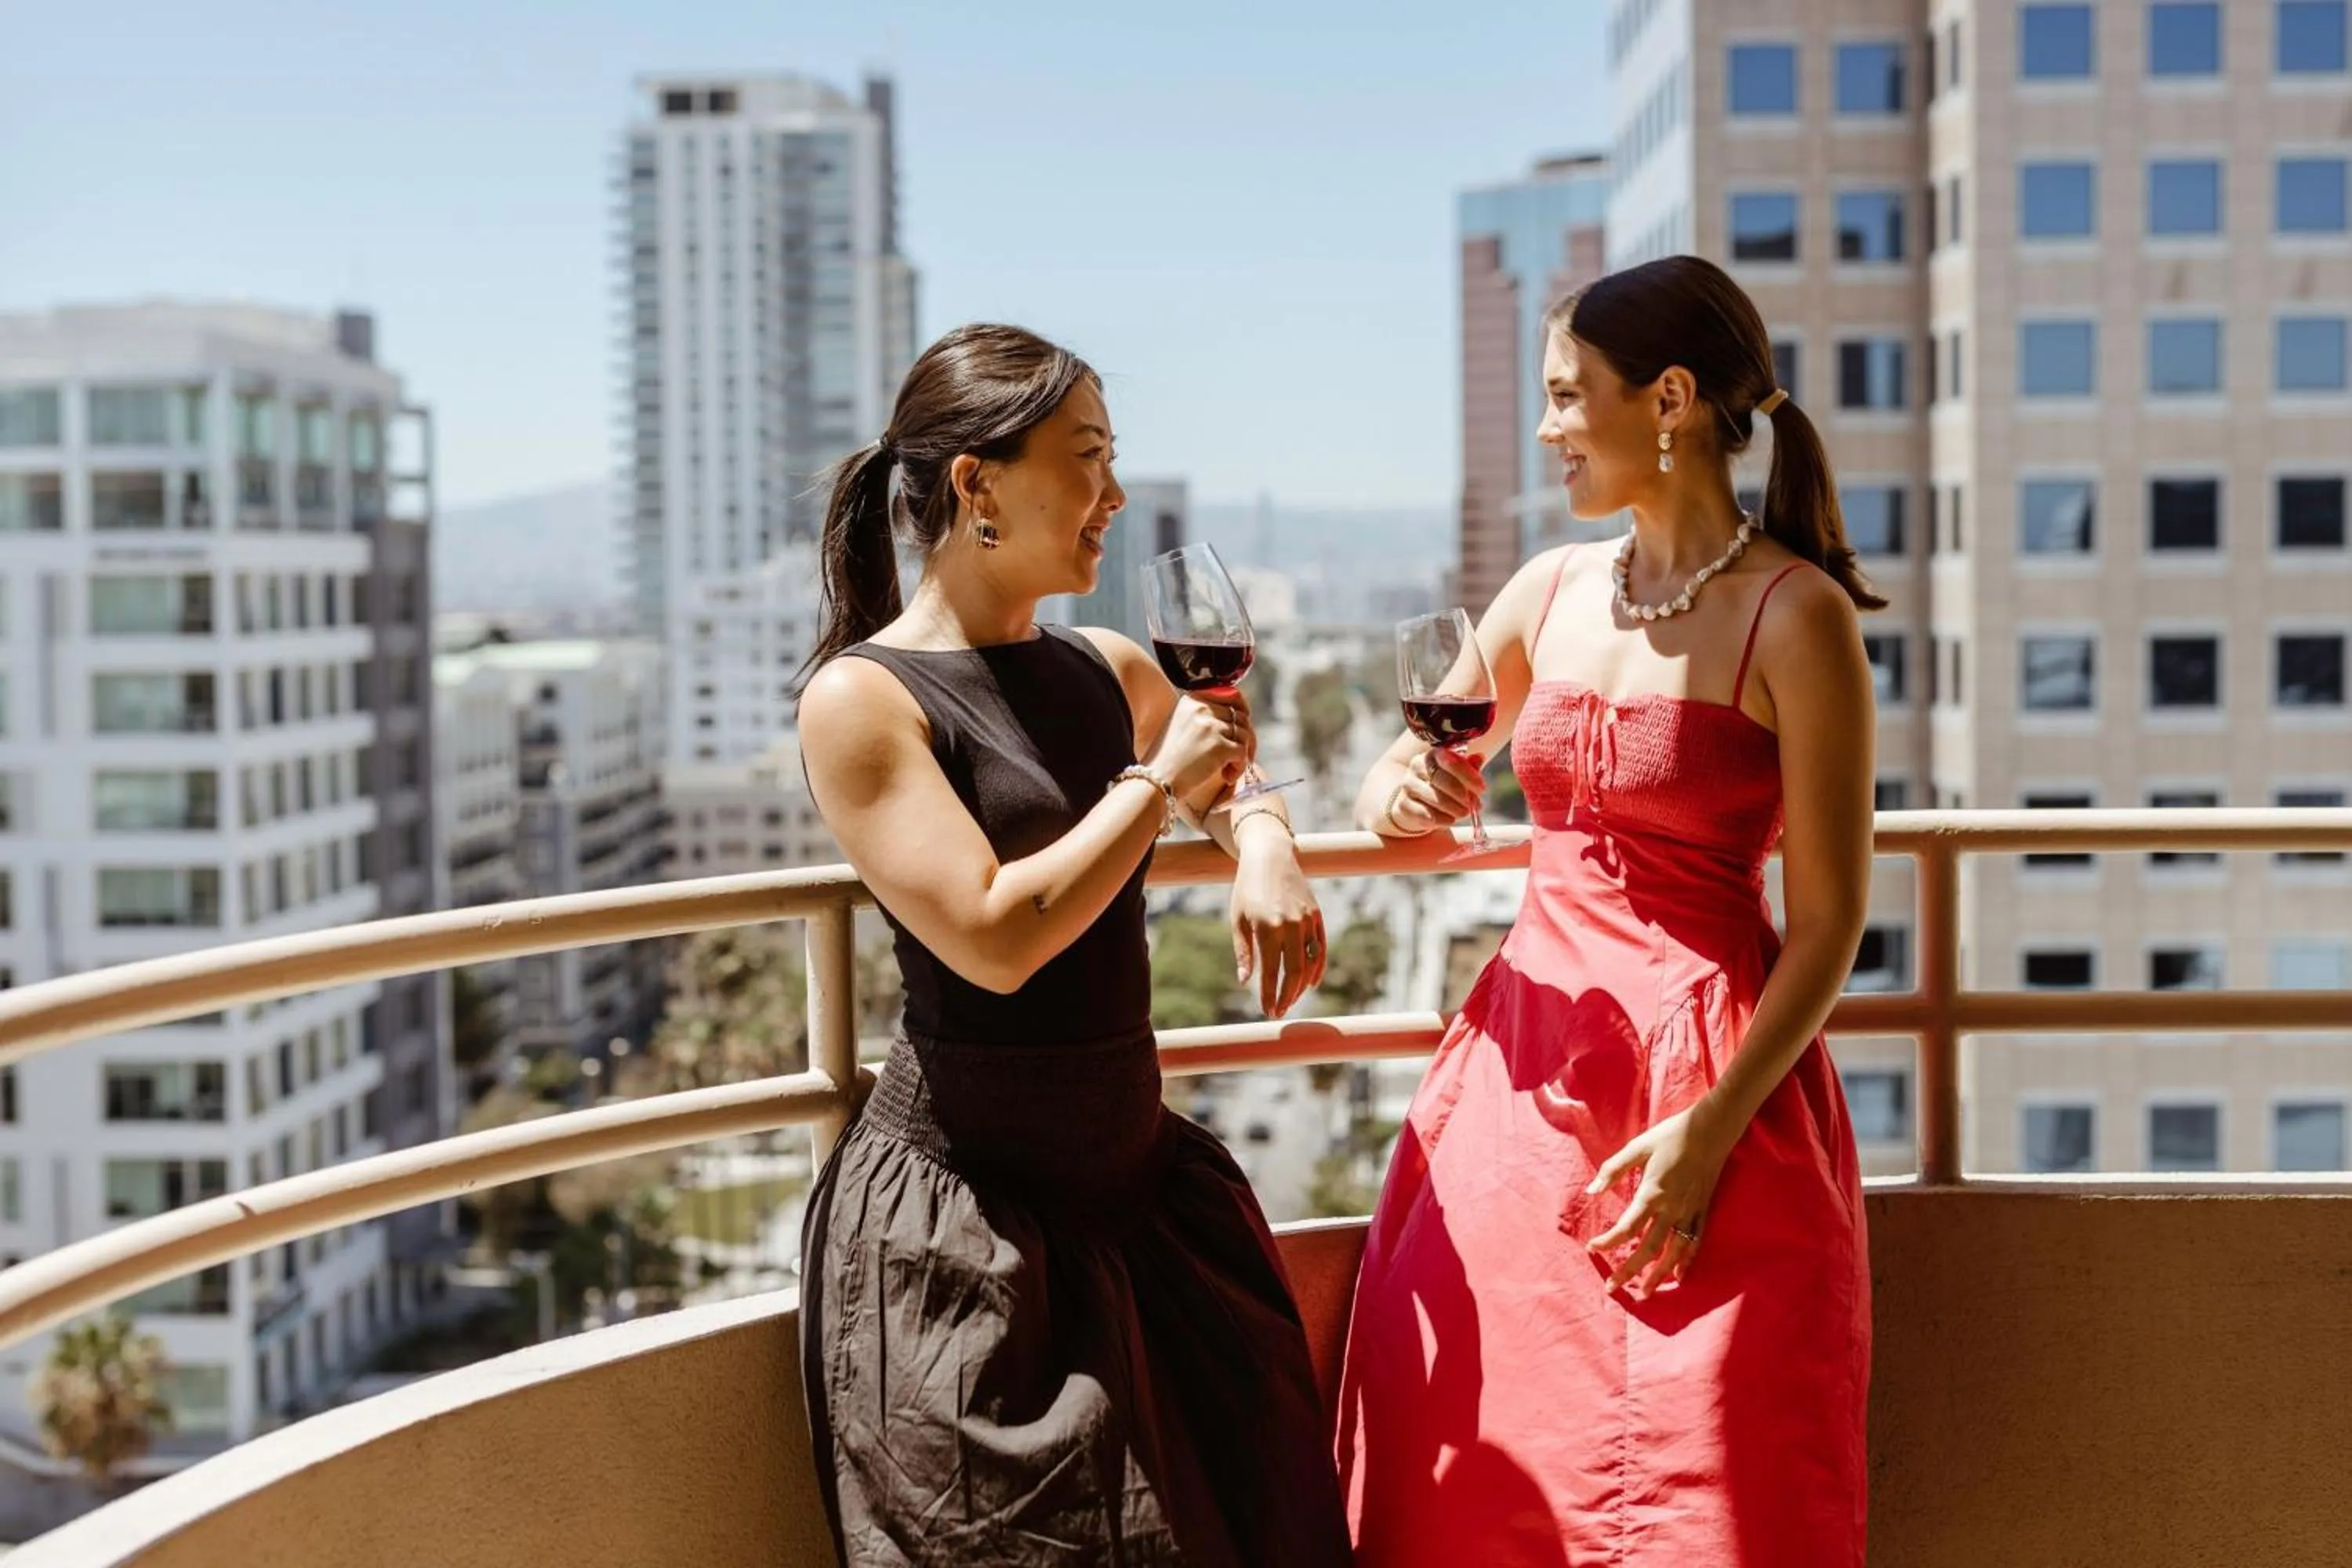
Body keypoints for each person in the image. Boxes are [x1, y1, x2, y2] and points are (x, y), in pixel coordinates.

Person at [1334, 256, 1883, 1566]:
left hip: (1715, 1095)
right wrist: (1402, 788)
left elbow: (1828, 925)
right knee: (1472, 1457)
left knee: (1711, 1481)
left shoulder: (1798, 621)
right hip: (1517, 1090)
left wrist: (1710, 1134)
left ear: (1673, 401)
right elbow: (1407, 775)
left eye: (1571, 396)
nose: (1548, 429)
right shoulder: (1550, 589)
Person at [793, 323, 1353, 1566]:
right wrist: (1157, 791)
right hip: (968, 1230)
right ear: (975, 485)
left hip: (1140, 1194)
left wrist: (1261, 836)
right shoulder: (862, 699)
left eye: (1115, 460)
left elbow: (1231, 770)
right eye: (1087, 460)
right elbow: (995, 937)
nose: (1115, 496)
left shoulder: (1106, 667)